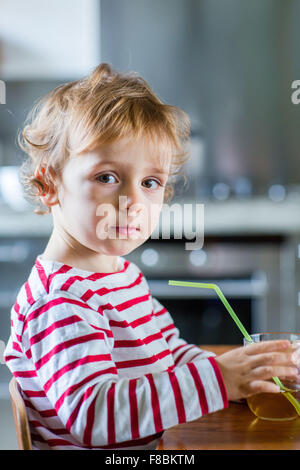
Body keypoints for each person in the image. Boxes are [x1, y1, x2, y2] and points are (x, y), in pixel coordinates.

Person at [4, 63, 298, 450]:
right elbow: (93, 418)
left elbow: (169, 354)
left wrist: (240, 378)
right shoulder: (59, 302)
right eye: (107, 177)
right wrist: (217, 380)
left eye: (150, 182)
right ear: (49, 185)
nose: (133, 202)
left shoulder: (121, 276)